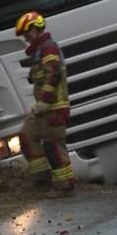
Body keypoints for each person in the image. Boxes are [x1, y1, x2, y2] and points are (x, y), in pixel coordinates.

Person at [15, 11, 75, 197]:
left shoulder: (48, 48)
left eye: (27, 33)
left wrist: (44, 101)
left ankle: (64, 184)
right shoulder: (40, 51)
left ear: (35, 28)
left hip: (53, 107)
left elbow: (54, 74)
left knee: (54, 146)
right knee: (27, 135)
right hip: (44, 108)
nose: (26, 38)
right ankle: (42, 176)